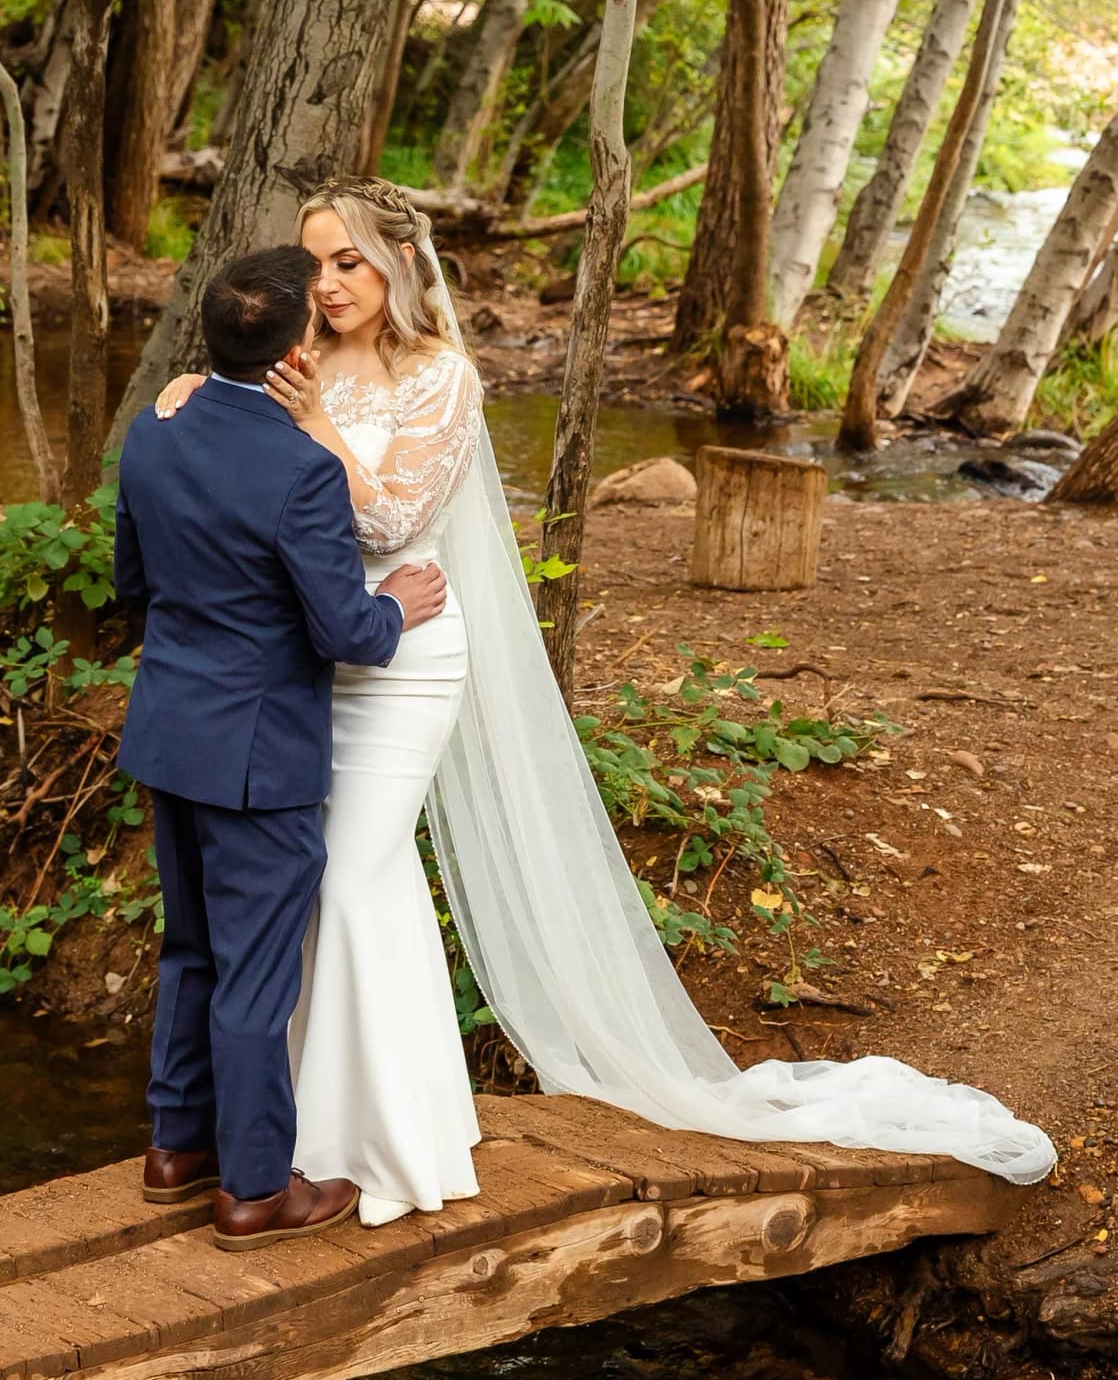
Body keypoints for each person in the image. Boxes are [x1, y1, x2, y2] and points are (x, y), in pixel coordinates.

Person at [157, 179, 1057, 1222]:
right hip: (305, 667)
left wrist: (313, 425)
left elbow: (394, 513)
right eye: (313, 261)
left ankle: (389, 1143)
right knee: (307, 898)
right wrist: (188, 395)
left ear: (400, 262)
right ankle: (297, 1141)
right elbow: (218, 427)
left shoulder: (440, 377)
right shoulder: (291, 360)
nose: (329, 282)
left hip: (403, 660)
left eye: (350, 260)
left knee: (356, 878)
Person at [113, 240, 448, 1251]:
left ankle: (175, 1149)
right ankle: (257, 1187)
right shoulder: (302, 471)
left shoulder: (151, 435)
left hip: (171, 731)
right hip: (261, 755)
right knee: (259, 974)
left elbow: (133, 584)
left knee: (191, 948)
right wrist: (392, 604)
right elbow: (344, 633)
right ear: (300, 340)